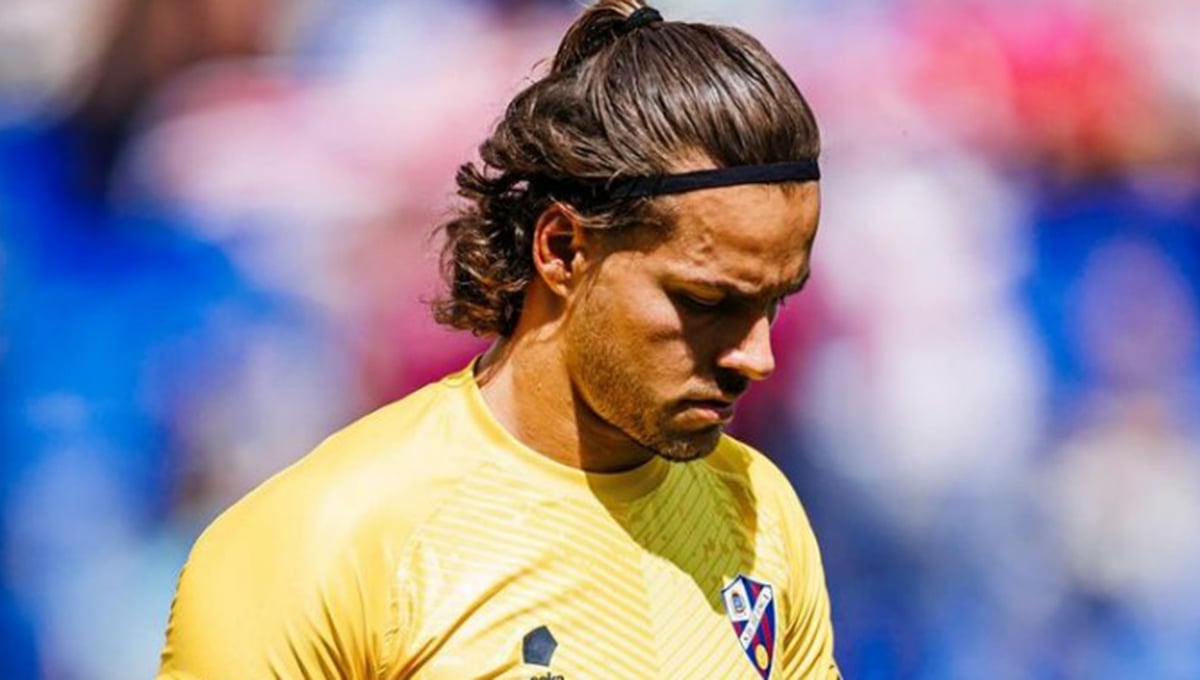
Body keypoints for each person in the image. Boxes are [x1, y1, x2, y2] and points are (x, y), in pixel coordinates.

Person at [157, 1, 839, 677]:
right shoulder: (320, 544)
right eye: (705, 302)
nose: (758, 357)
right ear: (562, 249)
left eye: (773, 303)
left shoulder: (761, 513)